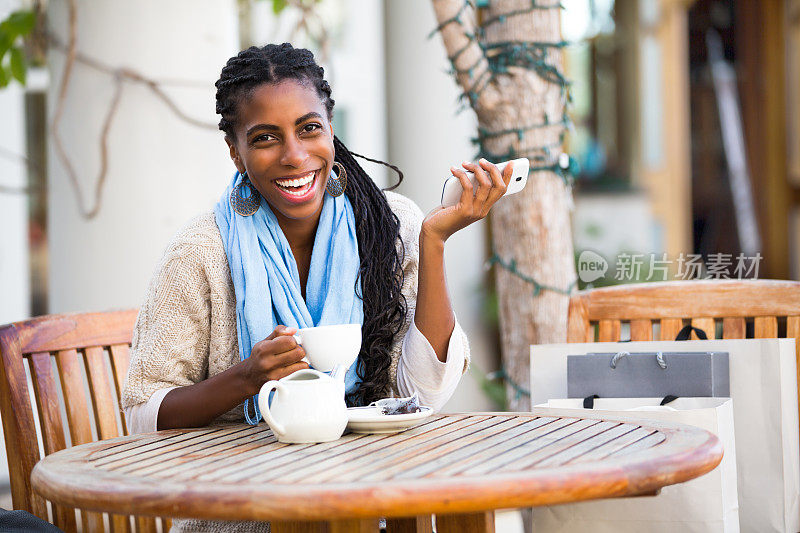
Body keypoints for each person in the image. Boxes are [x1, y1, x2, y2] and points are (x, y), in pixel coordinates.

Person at [121, 43, 512, 532]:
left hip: (374, 506)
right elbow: (142, 413)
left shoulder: (393, 225)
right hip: (243, 519)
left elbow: (421, 393)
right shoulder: (201, 251)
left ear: (330, 127)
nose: (294, 155)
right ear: (236, 153)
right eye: (265, 138)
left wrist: (433, 240)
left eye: (309, 128)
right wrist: (245, 379)